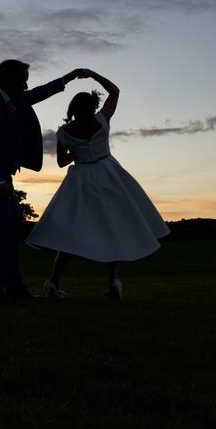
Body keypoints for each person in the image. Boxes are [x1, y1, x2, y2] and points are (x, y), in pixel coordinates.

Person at [25, 69, 170, 300]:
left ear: (74, 109)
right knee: (110, 227)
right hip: (109, 176)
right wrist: (92, 75)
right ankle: (113, 281)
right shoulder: (101, 121)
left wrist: (78, 152)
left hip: (82, 181)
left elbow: (62, 162)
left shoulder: (64, 133)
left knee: (71, 234)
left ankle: (53, 283)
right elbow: (115, 91)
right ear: (92, 107)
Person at [0, 59, 87, 303]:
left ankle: (15, 289)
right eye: (22, 79)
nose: (26, 84)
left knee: (10, 235)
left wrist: (68, 78)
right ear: (8, 79)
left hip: (2, 178)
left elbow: (39, 93)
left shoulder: (12, 98)